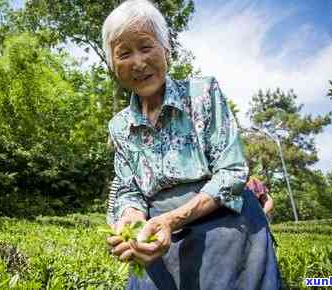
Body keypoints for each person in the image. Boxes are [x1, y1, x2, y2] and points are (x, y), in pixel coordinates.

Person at [103, 1, 282, 289]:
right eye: (124, 53)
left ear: (166, 50)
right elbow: (129, 190)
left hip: (225, 227)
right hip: (158, 238)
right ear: (113, 64)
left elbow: (232, 171)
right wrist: (131, 224)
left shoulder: (203, 93)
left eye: (146, 47)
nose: (138, 62)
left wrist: (171, 220)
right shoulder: (119, 126)